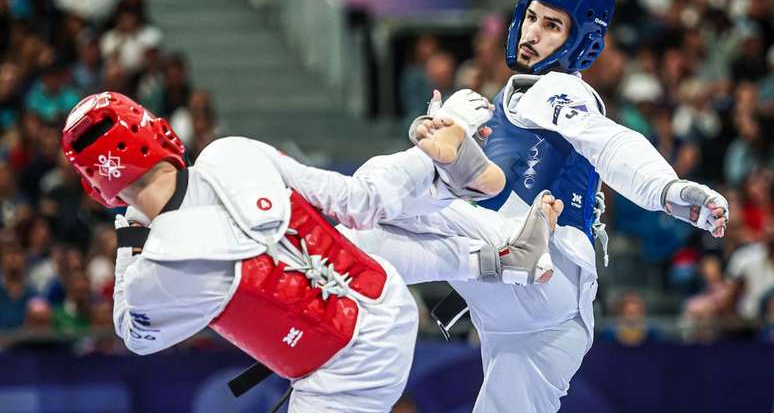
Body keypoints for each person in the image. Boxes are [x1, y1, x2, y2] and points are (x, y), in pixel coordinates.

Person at [340, 0, 730, 413]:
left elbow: (608, 141)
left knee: (381, 197)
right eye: (530, 17)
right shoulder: (504, 106)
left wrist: (668, 189)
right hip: (560, 323)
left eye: (552, 25)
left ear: (579, 42)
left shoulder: (547, 90)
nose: (531, 33)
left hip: (536, 265)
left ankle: (303, 261)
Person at [60, 91, 558, 412]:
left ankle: (476, 227)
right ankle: (456, 189)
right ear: (157, 130)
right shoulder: (230, 152)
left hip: (347, 372)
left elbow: (134, 334)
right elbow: (357, 203)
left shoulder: (161, 269)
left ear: (98, 187)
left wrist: (130, 230)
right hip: (386, 298)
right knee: (362, 212)